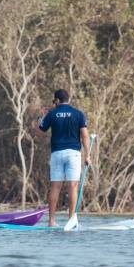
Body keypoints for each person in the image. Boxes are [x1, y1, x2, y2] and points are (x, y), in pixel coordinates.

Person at [33, 89, 90, 227]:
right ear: (68, 99)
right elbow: (85, 136)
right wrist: (87, 155)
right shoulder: (78, 114)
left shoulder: (51, 114)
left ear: (57, 101)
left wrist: (43, 117)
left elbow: (39, 132)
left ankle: (51, 221)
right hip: (73, 154)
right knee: (72, 186)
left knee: (55, 187)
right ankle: (71, 221)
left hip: (57, 154)